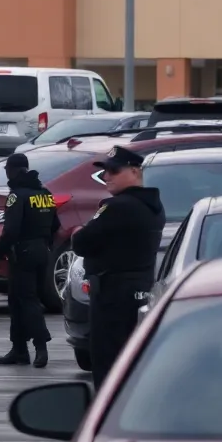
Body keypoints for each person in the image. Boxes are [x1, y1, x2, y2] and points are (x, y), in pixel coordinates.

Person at [71, 145, 165, 389]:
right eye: (104, 172)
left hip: (112, 295)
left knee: (107, 361)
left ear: (135, 171)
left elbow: (81, 242)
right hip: (139, 290)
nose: (106, 176)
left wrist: (79, 231)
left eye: (114, 171)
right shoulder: (153, 205)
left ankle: (108, 407)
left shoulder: (117, 207)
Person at [0, 153, 60, 369]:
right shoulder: (44, 192)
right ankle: (19, 348)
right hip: (42, 251)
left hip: (23, 253)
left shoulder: (17, 195)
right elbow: (56, 224)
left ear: (12, 171)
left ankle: (41, 346)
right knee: (16, 300)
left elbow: (11, 230)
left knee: (28, 300)